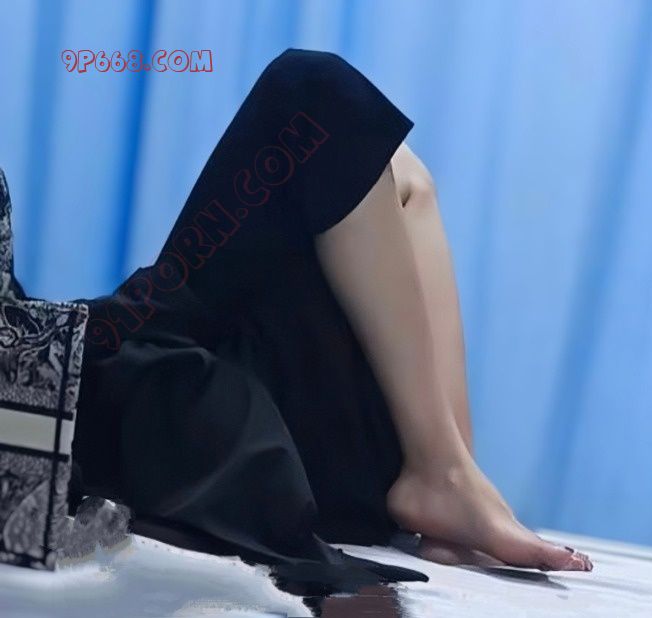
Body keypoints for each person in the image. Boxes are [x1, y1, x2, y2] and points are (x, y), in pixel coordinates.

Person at [69, 48, 592, 593]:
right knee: (313, 93)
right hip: (108, 401)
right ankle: (444, 476)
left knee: (395, 171)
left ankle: (454, 475)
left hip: (126, 379)